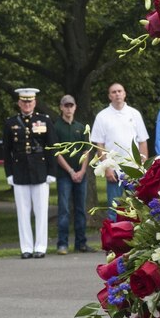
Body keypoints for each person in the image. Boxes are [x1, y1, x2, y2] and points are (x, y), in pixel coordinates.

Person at [3, 88, 57, 259]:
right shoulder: (11, 123)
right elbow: (6, 151)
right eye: (24, 102)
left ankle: (40, 247)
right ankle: (26, 247)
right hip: (20, 171)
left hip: (40, 170)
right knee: (23, 212)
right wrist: (9, 173)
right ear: (19, 103)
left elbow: (51, 147)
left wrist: (51, 171)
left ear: (35, 102)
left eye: (30, 101)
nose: (27, 105)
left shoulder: (44, 120)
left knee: (41, 211)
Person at [90, 82, 150, 220]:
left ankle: (140, 239)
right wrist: (107, 168)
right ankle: (112, 240)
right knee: (113, 209)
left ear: (124, 93)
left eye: (119, 91)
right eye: (113, 92)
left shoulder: (134, 114)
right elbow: (100, 145)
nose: (117, 94)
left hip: (134, 169)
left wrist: (143, 166)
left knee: (139, 207)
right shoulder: (102, 116)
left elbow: (142, 141)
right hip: (114, 170)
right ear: (109, 96)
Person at [52, 95, 92, 254]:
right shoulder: (56, 127)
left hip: (80, 174)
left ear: (75, 107)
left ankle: (81, 243)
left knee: (81, 209)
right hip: (64, 175)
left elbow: (86, 150)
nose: (69, 108)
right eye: (66, 106)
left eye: (71, 105)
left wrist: (82, 170)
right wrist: (70, 171)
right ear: (61, 107)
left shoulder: (81, 127)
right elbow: (56, 152)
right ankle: (62, 243)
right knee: (64, 210)